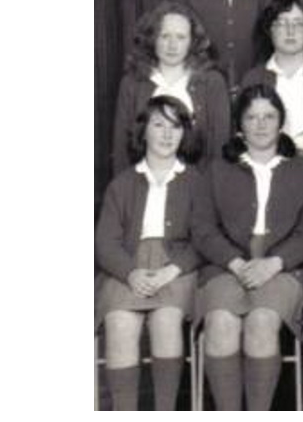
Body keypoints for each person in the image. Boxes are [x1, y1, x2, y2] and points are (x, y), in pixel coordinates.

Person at [194, 85, 303, 410]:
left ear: (281, 122)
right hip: (226, 265)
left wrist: (274, 263)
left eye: (269, 116)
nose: (260, 125)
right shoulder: (218, 168)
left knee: (262, 322)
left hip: (284, 266)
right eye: (251, 117)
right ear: (239, 125)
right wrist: (235, 263)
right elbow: (203, 230)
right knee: (221, 323)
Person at [96, 96, 207, 411]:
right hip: (127, 266)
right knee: (118, 323)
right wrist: (130, 272)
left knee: (167, 321)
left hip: (176, 268)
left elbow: (205, 237)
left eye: (175, 126)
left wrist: (173, 269)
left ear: (184, 134)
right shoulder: (122, 183)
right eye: (158, 125)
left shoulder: (196, 182)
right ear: (143, 132)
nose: (167, 134)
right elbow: (105, 241)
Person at [111, 0, 230, 174]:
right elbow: (121, 148)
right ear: (152, 39)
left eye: (181, 37)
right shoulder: (132, 82)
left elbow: (219, 147)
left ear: (193, 42)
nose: (172, 45)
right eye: (165, 36)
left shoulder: (212, 82)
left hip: (198, 186)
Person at [241, 0, 303, 166]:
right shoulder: (253, 78)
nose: (290, 31)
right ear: (269, 29)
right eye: (282, 23)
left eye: (298, 23)